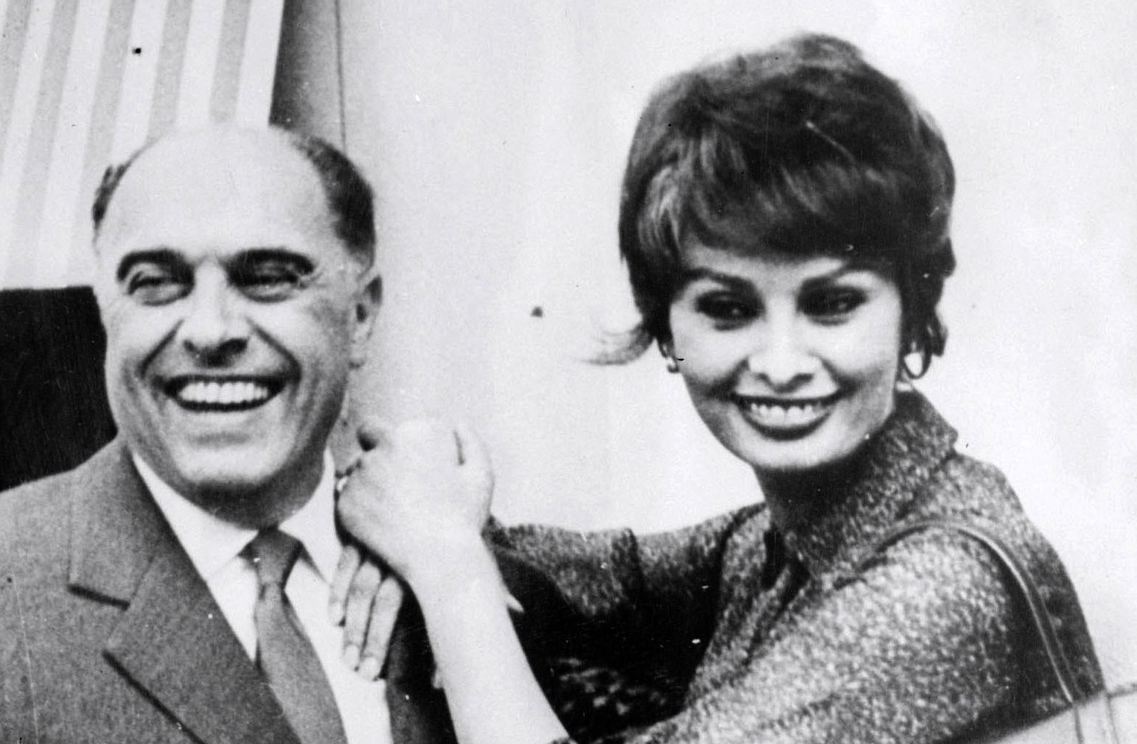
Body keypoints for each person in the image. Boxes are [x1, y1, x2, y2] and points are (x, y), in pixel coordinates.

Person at [334, 34, 1104, 744]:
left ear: (911, 310)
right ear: (667, 327)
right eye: (728, 309)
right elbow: (585, 575)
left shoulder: (937, 588)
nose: (780, 361)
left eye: (832, 303)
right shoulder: (779, 540)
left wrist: (449, 570)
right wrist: (425, 489)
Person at [0, 125, 454, 744]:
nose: (209, 331)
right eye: (155, 283)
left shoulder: (459, 586)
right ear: (106, 312)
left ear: (361, 315)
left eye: (268, 276)